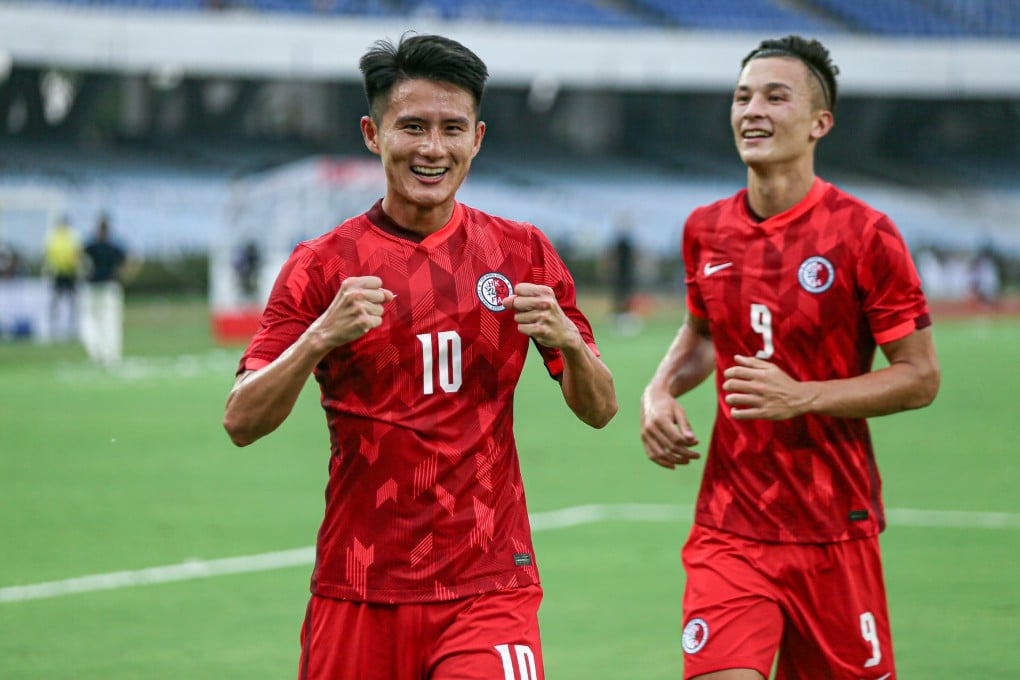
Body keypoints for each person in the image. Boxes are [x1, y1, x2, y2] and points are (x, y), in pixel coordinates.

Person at [222, 33, 617, 680]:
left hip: (490, 586)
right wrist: (318, 337)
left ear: (478, 138)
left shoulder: (521, 255)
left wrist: (571, 343)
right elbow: (242, 420)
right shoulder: (321, 266)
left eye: (452, 129)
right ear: (373, 135)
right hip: (358, 589)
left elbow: (600, 410)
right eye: (412, 127)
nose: (433, 149)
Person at [639, 35, 940, 680]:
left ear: (819, 123)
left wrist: (803, 396)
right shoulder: (705, 229)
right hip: (731, 524)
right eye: (743, 96)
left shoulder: (866, 234)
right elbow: (705, 333)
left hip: (835, 524)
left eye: (777, 97)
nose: (753, 110)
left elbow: (920, 378)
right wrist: (658, 392)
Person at [81, 214, 130, 366]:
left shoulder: (91, 245)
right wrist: (123, 275)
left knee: (94, 321)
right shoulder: (113, 246)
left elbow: (76, 256)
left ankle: (100, 353)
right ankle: (109, 355)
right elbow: (131, 260)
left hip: (95, 286)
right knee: (109, 322)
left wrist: (83, 272)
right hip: (108, 287)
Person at [41, 215, 82, 341]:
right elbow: (49, 255)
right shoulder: (57, 237)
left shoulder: (69, 236)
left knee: (70, 301)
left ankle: (70, 327)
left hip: (68, 273)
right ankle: (56, 327)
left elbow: (76, 254)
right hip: (60, 273)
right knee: (58, 301)